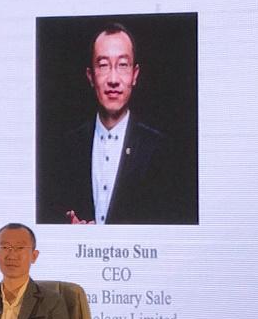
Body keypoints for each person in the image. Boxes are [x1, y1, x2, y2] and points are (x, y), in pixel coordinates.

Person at [41, 22, 187, 224]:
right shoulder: (66, 148)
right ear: (90, 76)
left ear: (134, 75)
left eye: (123, 65)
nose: (113, 79)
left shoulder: (160, 150)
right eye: (103, 65)